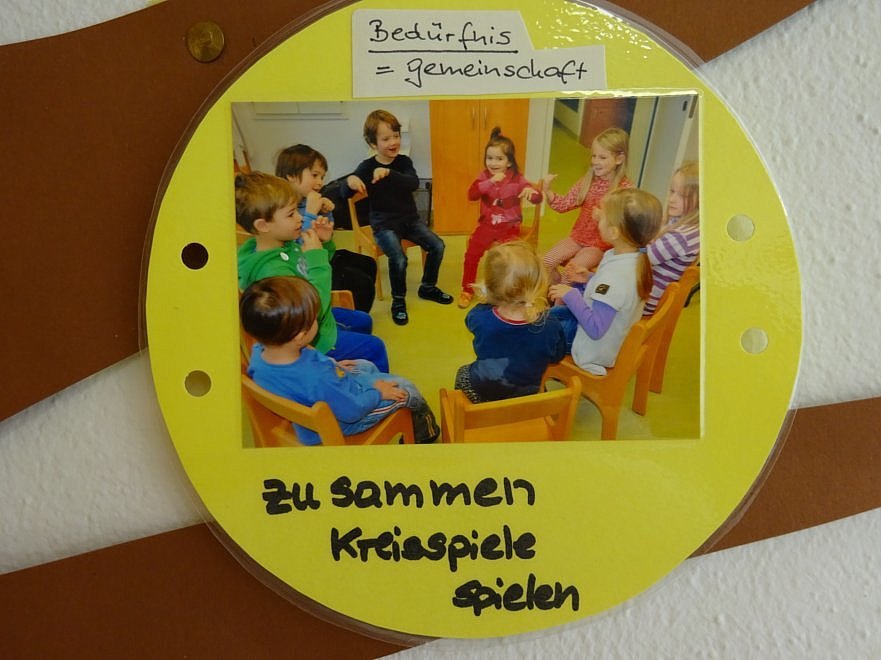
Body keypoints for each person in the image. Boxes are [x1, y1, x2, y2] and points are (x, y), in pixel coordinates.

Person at [240, 277, 439, 445]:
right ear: (300, 336)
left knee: (366, 365)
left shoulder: (260, 351)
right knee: (406, 389)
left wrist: (333, 365)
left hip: (326, 398)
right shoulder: (317, 378)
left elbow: (310, 363)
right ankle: (426, 434)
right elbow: (353, 410)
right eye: (314, 319)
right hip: (346, 419)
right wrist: (378, 392)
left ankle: (377, 384)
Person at [235, 171, 390, 372]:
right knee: (375, 347)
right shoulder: (273, 272)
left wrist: (324, 244)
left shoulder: (283, 245)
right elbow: (310, 312)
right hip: (309, 340)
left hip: (318, 316)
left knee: (363, 320)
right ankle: (367, 386)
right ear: (263, 225)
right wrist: (316, 257)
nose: (300, 217)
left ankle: (355, 371)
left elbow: (308, 271)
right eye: (291, 214)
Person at [345, 109, 452, 326]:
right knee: (399, 258)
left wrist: (389, 173)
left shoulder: (403, 162)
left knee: (437, 245)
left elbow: (413, 183)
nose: (393, 142)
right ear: (373, 143)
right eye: (386, 138)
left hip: (409, 220)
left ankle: (427, 287)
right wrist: (350, 181)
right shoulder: (367, 167)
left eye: (396, 136)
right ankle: (398, 300)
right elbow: (344, 193)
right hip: (384, 225)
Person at [549, 188, 662, 375]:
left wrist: (571, 295)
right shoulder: (632, 257)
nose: (597, 219)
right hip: (607, 334)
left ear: (614, 232)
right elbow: (613, 293)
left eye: (602, 217)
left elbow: (595, 329)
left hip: (591, 347)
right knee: (548, 315)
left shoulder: (616, 277)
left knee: (536, 330)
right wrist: (589, 278)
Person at [455, 241, 566, 403]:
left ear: (490, 286)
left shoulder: (481, 317)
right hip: (527, 393)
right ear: (538, 284)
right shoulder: (551, 324)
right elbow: (556, 356)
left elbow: (470, 322)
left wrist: (489, 299)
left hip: (484, 388)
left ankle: (475, 411)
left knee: (462, 373)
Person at [275, 144, 378, 313]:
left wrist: (326, 215)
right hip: (303, 271)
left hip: (322, 255)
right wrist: (310, 214)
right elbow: (298, 249)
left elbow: (326, 243)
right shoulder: (282, 208)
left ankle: (353, 315)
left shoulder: (306, 201)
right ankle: (347, 319)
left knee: (368, 264)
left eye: (322, 177)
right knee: (361, 284)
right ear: (291, 175)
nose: (320, 182)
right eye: (314, 175)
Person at [458, 126, 543, 309]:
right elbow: (471, 195)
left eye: (499, 158)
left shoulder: (517, 179)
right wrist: (489, 182)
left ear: (509, 162)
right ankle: (467, 289)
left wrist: (532, 192)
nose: (493, 163)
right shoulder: (484, 177)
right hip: (487, 225)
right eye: (489, 158)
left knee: (508, 258)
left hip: (509, 227)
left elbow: (537, 198)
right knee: (472, 253)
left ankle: (506, 291)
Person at [540, 127, 634, 284]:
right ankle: (556, 292)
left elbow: (626, 226)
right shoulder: (587, 180)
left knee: (570, 272)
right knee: (545, 262)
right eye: (594, 156)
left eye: (602, 157)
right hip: (577, 238)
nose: (595, 161)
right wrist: (548, 191)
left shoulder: (626, 189)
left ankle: (562, 298)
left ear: (619, 159)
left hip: (599, 247)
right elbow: (564, 205)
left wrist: (605, 217)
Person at [643, 160, 700, 316]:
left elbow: (640, 260)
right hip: (651, 291)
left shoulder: (680, 237)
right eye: (672, 191)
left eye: (682, 195)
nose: (672, 199)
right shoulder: (688, 225)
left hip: (646, 300)